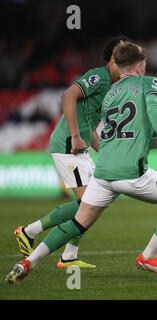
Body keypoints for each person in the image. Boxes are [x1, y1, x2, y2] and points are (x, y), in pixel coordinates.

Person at [6, 41, 157, 284]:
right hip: (132, 175)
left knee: (78, 221)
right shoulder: (149, 83)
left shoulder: (109, 97)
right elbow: (155, 108)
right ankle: (149, 256)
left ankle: (28, 261)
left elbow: (116, 136)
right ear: (140, 65)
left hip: (104, 175)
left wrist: (153, 142)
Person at [14, 36, 128, 269]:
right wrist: (75, 136)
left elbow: (91, 126)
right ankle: (30, 232)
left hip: (78, 147)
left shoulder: (113, 87)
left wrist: (106, 153)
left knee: (95, 201)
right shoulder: (98, 77)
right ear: (111, 59)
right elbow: (68, 95)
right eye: (120, 54)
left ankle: (68, 254)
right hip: (68, 145)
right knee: (90, 202)